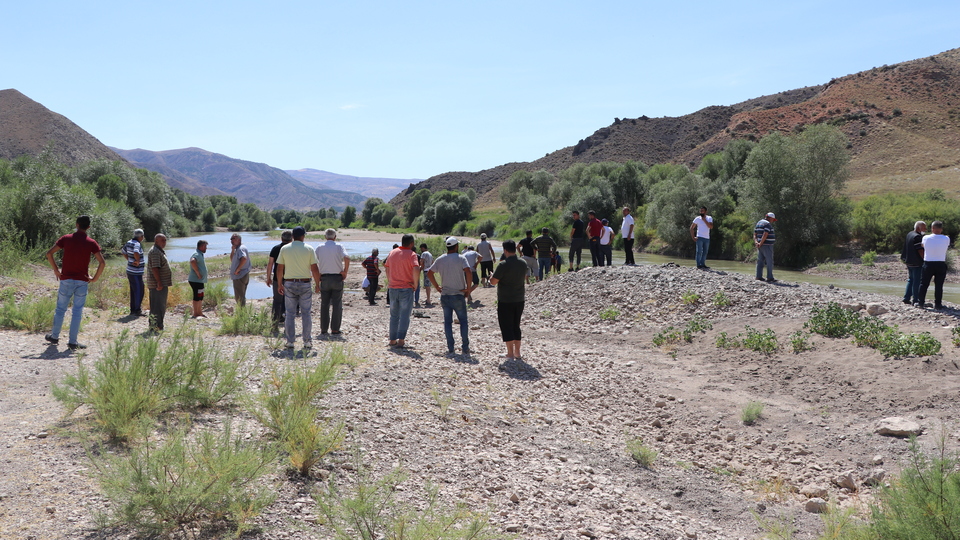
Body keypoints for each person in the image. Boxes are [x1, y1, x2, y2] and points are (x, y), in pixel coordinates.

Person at [44, 215, 105, 350]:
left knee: (60, 309)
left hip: (66, 279)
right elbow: (102, 262)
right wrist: (94, 278)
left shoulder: (66, 239)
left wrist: (56, 270)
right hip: (82, 281)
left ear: (77, 224)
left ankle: (54, 336)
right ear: (88, 227)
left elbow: (49, 253)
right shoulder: (91, 243)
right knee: (77, 312)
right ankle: (72, 342)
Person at [276, 226, 322, 349]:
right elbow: (314, 268)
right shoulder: (309, 249)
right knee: (306, 313)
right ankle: (307, 341)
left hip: (289, 283)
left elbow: (280, 268)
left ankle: (290, 341)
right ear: (303, 236)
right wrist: (317, 284)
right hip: (305, 283)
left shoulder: (285, 249)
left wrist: (279, 284)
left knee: (290, 313)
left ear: (292, 236)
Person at [428, 236, 474, 355]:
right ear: (456, 246)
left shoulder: (440, 259)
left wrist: (437, 287)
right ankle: (465, 347)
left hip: (445, 295)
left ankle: (451, 348)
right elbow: (468, 272)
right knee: (463, 321)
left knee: (447, 322)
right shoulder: (461, 258)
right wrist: (468, 289)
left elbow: (429, 273)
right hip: (458, 294)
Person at [490, 240, 528, 360]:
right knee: (516, 325)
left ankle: (510, 353)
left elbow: (493, 282)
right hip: (519, 299)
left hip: (506, 300)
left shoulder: (503, 265)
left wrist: (491, 276)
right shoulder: (523, 263)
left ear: (505, 250)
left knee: (507, 326)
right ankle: (517, 352)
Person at [383, 234, 420, 348]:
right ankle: (401, 340)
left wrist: (390, 281)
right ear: (411, 243)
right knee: (404, 315)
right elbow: (416, 268)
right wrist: (415, 284)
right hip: (406, 288)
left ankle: (392, 340)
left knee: (394, 315)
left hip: (393, 288)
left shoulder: (392, 252)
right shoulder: (412, 254)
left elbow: (386, 267)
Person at [315, 228, 350, 335]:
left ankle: (324, 329)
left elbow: (314, 262)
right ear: (335, 237)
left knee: (324, 304)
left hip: (324, 278)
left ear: (325, 237)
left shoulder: (320, 247)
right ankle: (335, 329)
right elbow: (347, 258)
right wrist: (345, 271)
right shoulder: (339, 246)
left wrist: (317, 277)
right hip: (337, 278)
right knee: (337, 304)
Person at [917, 220, 950, 310]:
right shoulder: (946, 238)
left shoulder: (926, 238)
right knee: (939, 285)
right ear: (941, 229)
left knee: (924, 284)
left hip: (928, 263)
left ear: (932, 228)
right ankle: (938, 304)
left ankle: (921, 303)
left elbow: (923, 246)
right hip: (940, 263)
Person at [266, 230, 293, 326]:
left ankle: (275, 320)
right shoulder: (292, 249)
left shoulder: (275, 248)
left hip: (277, 278)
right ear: (291, 238)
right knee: (289, 299)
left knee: (277, 300)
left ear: (281, 238)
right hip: (290, 277)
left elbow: (270, 264)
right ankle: (287, 319)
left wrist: (268, 277)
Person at [146, 233, 172, 333]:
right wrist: (159, 282)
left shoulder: (158, 250)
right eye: (162, 240)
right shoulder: (155, 252)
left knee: (160, 305)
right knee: (157, 306)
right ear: (156, 241)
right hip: (157, 285)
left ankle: (157, 325)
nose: (164, 242)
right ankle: (156, 326)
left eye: (165, 240)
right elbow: (155, 268)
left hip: (160, 283)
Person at [120, 228, 145, 316]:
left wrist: (129, 259)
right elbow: (136, 252)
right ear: (141, 236)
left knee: (134, 290)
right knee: (139, 290)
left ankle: (133, 310)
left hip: (130, 271)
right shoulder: (137, 244)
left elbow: (123, 251)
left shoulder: (129, 242)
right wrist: (137, 261)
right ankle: (137, 310)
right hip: (136, 272)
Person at [901, 221, 926, 305]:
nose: (925, 230)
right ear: (919, 228)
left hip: (909, 261)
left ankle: (906, 298)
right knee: (917, 281)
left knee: (911, 279)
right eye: (924, 228)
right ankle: (916, 299)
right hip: (917, 262)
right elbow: (920, 250)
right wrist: (924, 259)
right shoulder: (917, 237)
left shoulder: (909, 234)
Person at [229, 233, 252, 308]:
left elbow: (244, 258)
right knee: (241, 295)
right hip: (242, 275)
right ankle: (242, 310)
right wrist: (232, 250)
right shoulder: (237, 249)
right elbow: (232, 259)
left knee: (239, 297)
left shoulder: (241, 248)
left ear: (239, 240)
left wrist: (237, 270)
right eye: (231, 239)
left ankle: (241, 312)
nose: (232, 241)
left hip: (240, 276)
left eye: (233, 239)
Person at [188, 240, 208, 318]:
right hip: (195, 280)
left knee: (200, 296)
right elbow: (192, 261)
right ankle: (196, 313)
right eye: (205, 246)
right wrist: (198, 273)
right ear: (202, 246)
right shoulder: (196, 254)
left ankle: (199, 312)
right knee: (197, 296)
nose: (206, 248)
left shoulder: (200, 254)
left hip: (199, 280)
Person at [755, 212, 777, 283]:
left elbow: (755, 234)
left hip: (760, 245)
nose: (773, 221)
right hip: (767, 245)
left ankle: (758, 276)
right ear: (770, 218)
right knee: (769, 261)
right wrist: (761, 243)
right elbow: (765, 234)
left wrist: (757, 242)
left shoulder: (759, 223)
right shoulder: (767, 224)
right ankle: (770, 277)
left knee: (760, 261)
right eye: (773, 219)